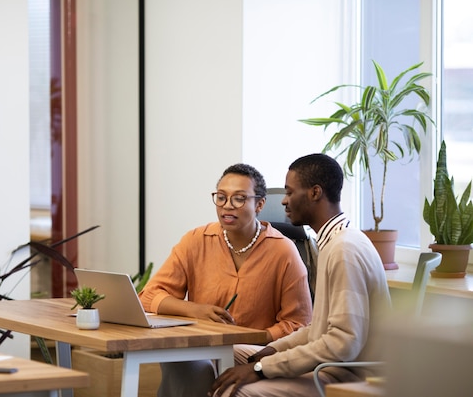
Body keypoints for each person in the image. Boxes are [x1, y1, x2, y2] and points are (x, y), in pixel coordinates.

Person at [210, 154, 392, 397]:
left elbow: (342, 342)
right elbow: (318, 328)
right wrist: (273, 350)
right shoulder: (333, 240)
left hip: (343, 374)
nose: (284, 201)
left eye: (290, 192)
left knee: (234, 392)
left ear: (315, 193)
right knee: (216, 354)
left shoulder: (344, 250)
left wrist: (262, 368)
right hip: (328, 366)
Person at [139, 163, 313, 397]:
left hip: (253, 354)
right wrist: (196, 310)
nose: (227, 206)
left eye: (239, 199)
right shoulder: (196, 240)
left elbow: (298, 324)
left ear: (259, 204)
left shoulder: (284, 251)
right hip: (202, 349)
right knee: (188, 365)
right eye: (221, 197)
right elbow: (150, 296)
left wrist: (254, 338)